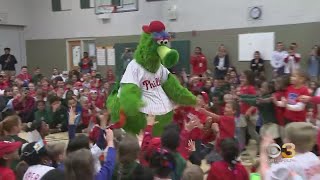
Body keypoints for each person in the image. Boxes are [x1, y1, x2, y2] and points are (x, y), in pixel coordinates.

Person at [237, 70, 259, 150]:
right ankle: (241, 147)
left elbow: (255, 102)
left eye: (243, 77)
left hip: (250, 114)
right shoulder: (241, 87)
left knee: (251, 131)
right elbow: (241, 100)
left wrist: (249, 110)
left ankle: (261, 143)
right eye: (240, 77)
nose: (241, 79)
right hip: (242, 113)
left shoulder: (251, 88)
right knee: (241, 130)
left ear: (249, 79)